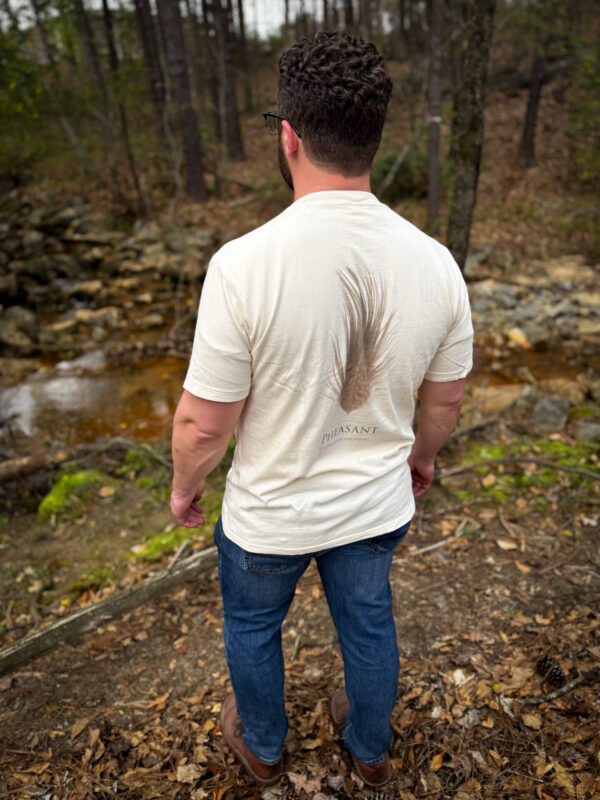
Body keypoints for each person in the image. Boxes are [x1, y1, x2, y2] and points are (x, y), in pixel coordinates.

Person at [170, 31, 473, 789]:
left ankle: (265, 750)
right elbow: (447, 397)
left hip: (268, 516)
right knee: (368, 626)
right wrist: (423, 456)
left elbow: (205, 424)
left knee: (252, 627)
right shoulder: (435, 262)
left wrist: (185, 485)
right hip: (372, 506)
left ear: (289, 136)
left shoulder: (243, 264)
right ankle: (369, 749)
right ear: (372, 136)